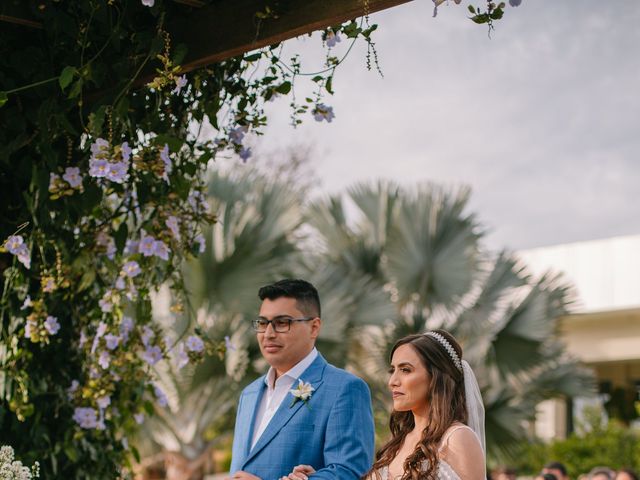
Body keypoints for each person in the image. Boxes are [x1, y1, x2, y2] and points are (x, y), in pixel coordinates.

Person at [227, 279, 375, 480]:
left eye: (281, 323)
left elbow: (351, 472)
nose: (268, 334)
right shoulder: (249, 394)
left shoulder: (345, 389)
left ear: (314, 327)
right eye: (262, 323)